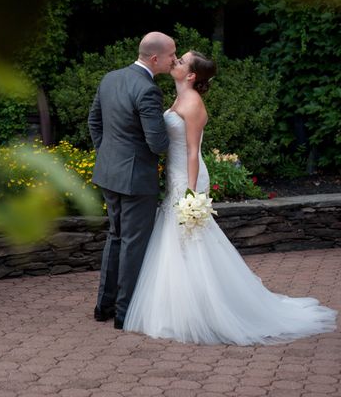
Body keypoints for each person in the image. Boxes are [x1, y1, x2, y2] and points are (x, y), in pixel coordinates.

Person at [122, 50, 338, 344]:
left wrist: (191, 193)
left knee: (191, 242)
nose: (176, 62)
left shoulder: (194, 103)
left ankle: (204, 312)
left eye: (182, 61)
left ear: (191, 76)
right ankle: (179, 309)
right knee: (176, 243)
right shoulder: (177, 97)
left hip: (188, 178)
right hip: (176, 175)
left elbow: (191, 151)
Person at [88, 31, 176, 330]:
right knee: (133, 244)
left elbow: (94, 121)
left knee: (115, 236)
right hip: (136, 178)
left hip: (109, 174)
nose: (174, 60)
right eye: (171, 55)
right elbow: (157, 143)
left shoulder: (110, 78)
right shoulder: (148, 90)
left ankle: (104, 306)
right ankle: (125, 313)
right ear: (155, 58)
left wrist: (108, 154)